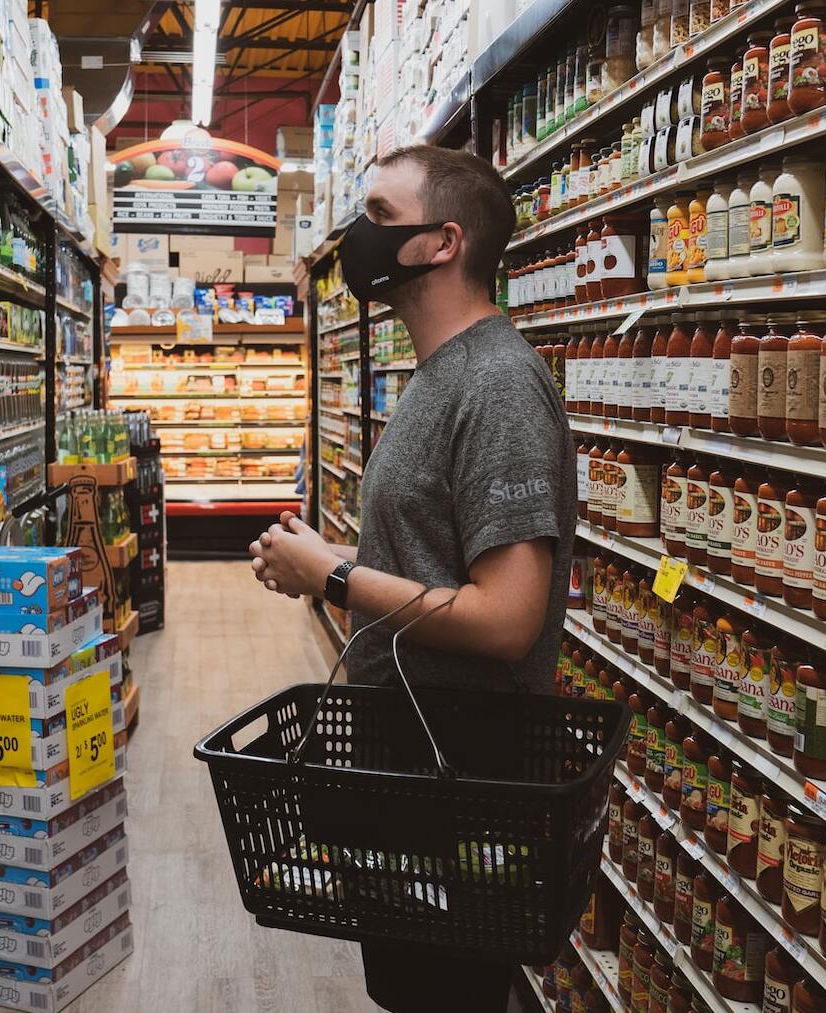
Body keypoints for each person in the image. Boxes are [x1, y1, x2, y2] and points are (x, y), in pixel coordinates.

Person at [248, 144, 576, 1013]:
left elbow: (509, 617)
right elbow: (429, 559)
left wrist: (335, 575)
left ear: (443, 242)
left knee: (449, 995)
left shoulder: (498, 382)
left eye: (381, 217)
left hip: (466, 772)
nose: (360, 236)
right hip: (417, 758)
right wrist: (328, 560)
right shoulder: (441, 375)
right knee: (416, 989)